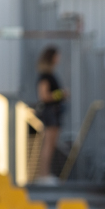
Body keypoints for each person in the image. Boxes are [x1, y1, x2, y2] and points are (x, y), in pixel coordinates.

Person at [35, 46, 66, 185]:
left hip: (54, 113)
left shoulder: (50, 74)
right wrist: (60, 94)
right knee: (48, 144)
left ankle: (45, 174)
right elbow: (44, 95)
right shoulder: (45, 76)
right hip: (50, 112)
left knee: (51, 145)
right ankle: (44, 175)